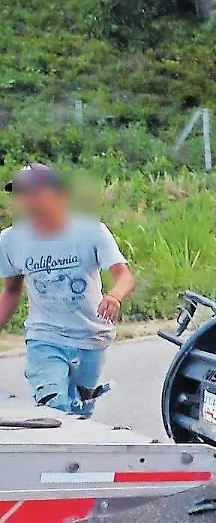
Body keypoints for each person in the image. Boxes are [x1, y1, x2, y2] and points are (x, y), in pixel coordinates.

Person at [0, 164, 135, 418]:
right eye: (22, 194)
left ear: (60, 194)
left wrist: (114, 296)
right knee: (54, 408)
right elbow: (11, 292)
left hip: (90, 337)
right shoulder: (10, 240)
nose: (29, 201)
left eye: (35, 193)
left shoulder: (91, 232)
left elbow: (124, 275)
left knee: (79, 415)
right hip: (44, 336)